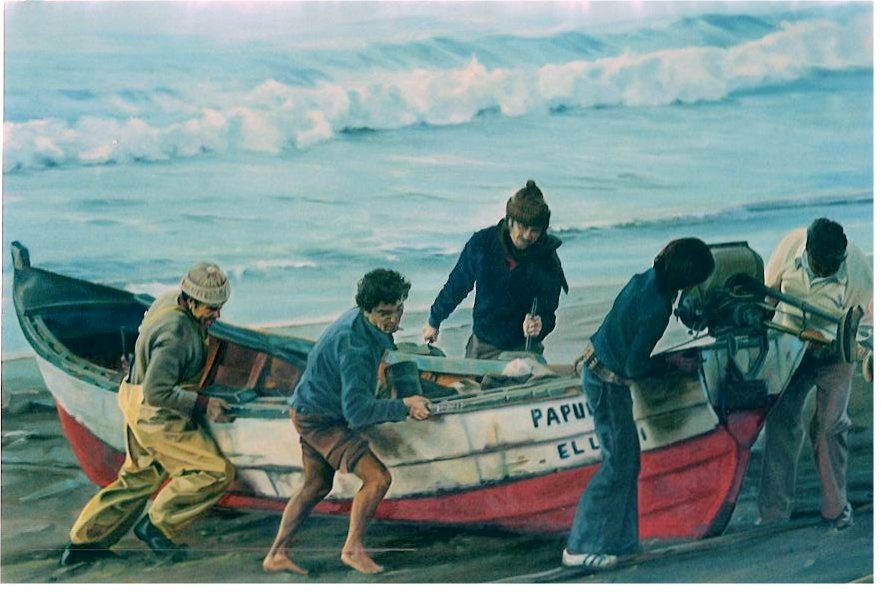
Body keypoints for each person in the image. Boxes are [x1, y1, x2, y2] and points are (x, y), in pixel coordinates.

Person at [61, 262, 236, 565]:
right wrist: (204, 404)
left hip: (133, 397)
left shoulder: (168, 300)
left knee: (139, 477)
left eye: (219, 307)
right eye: (211, 308)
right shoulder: (178, 334)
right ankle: (157, 525)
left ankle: (83, 544)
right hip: (156, 412)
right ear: (191, 301)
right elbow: (158, 392)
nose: (216, 315)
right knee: (213, 472)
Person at [263, 269, 431, 576]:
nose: (393, 320)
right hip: (321, 419)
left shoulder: (360, 322)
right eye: (384, 314)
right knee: (378, 478)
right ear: (367, 309)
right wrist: (404, 405)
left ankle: (276, 554)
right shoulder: (355, 346)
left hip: (305, 408)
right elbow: (356, 413)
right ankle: (352, 549)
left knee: (316, 485)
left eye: (398, 310)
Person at [563, 238, 715, 570]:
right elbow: (634, 367)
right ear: (686, 281)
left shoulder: (644, 278)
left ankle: (623, 542)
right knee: (617, 464)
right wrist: (672, 364)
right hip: (607, 383)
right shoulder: (658, 308)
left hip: (598, 369)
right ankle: (579, 547)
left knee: (628, 463)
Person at [757, 218, 872, 530]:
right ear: (808, 251)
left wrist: (843, 345)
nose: (825, 270)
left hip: (836, 351)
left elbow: (863, 323)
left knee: (830, 427)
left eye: (832, 265)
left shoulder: (857, 267)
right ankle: (773, 513)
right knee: (781, 422)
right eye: (820, 264)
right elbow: (767, 295)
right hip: (791, 346)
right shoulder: (789, 248)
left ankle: (836, 510)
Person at [423, 179, 568, 359]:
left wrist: (540, 324)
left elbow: (548, 312)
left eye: (535, 230)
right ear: (510, 221)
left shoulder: (547, 260)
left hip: (523, 348)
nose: (527, 236)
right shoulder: (483, 243)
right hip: (483, 344)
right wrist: (434, 320)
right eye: (523, 227)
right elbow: (457, 285)